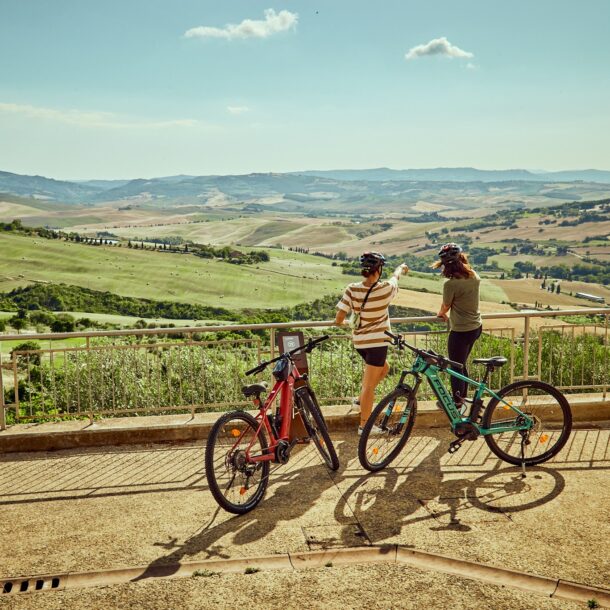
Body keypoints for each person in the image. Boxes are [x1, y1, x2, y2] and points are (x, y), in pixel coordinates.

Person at [335, 252, 409, 434]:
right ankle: (365, 426)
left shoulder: (352, 289)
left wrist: (350, 323)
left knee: (384, 369)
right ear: (379, 269)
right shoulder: (385, 289)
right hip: (377, 343)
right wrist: (400, 268)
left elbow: (338, 319)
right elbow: (395, 278)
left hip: (360, 342)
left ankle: (360, 401)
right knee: (369, 385)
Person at [434, 243, 482, 407]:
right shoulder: (474, 276)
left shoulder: (451, 284)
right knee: (460, 364)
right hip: (476, 327)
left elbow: (446, 305)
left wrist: (441, 314)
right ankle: (463, 397)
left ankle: (456, 403)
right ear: (462, 259)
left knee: (455, 368)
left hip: (460, 331)